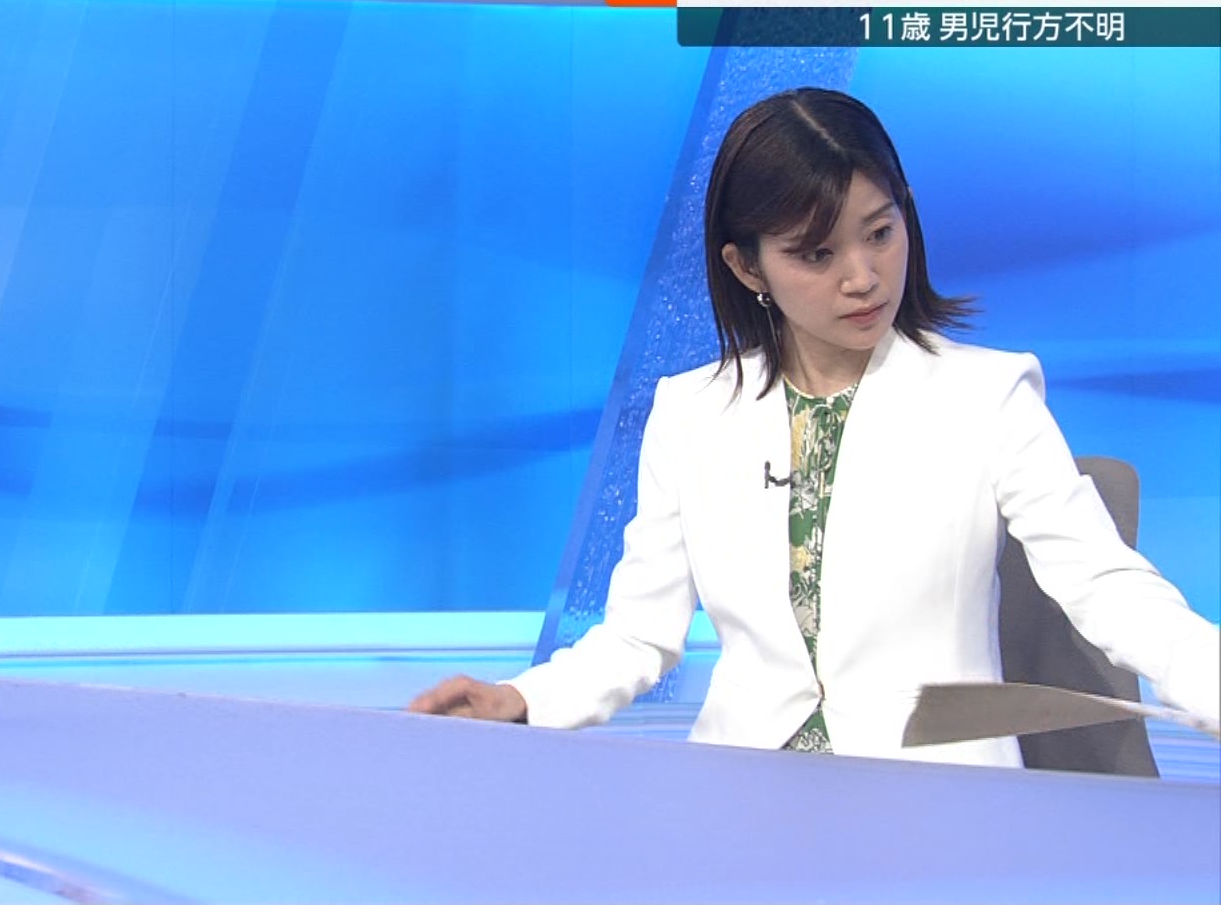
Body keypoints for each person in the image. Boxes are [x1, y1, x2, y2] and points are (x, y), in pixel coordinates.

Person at [409, 88, 1219, 765]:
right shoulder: (692, 413)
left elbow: (1104, 585)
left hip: (936, 793)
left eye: (880, 233)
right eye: (816, 254)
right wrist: (521, 699)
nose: (863, 278)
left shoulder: (988, 395)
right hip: (744, 788)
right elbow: (637, 638)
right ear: (746, 266)